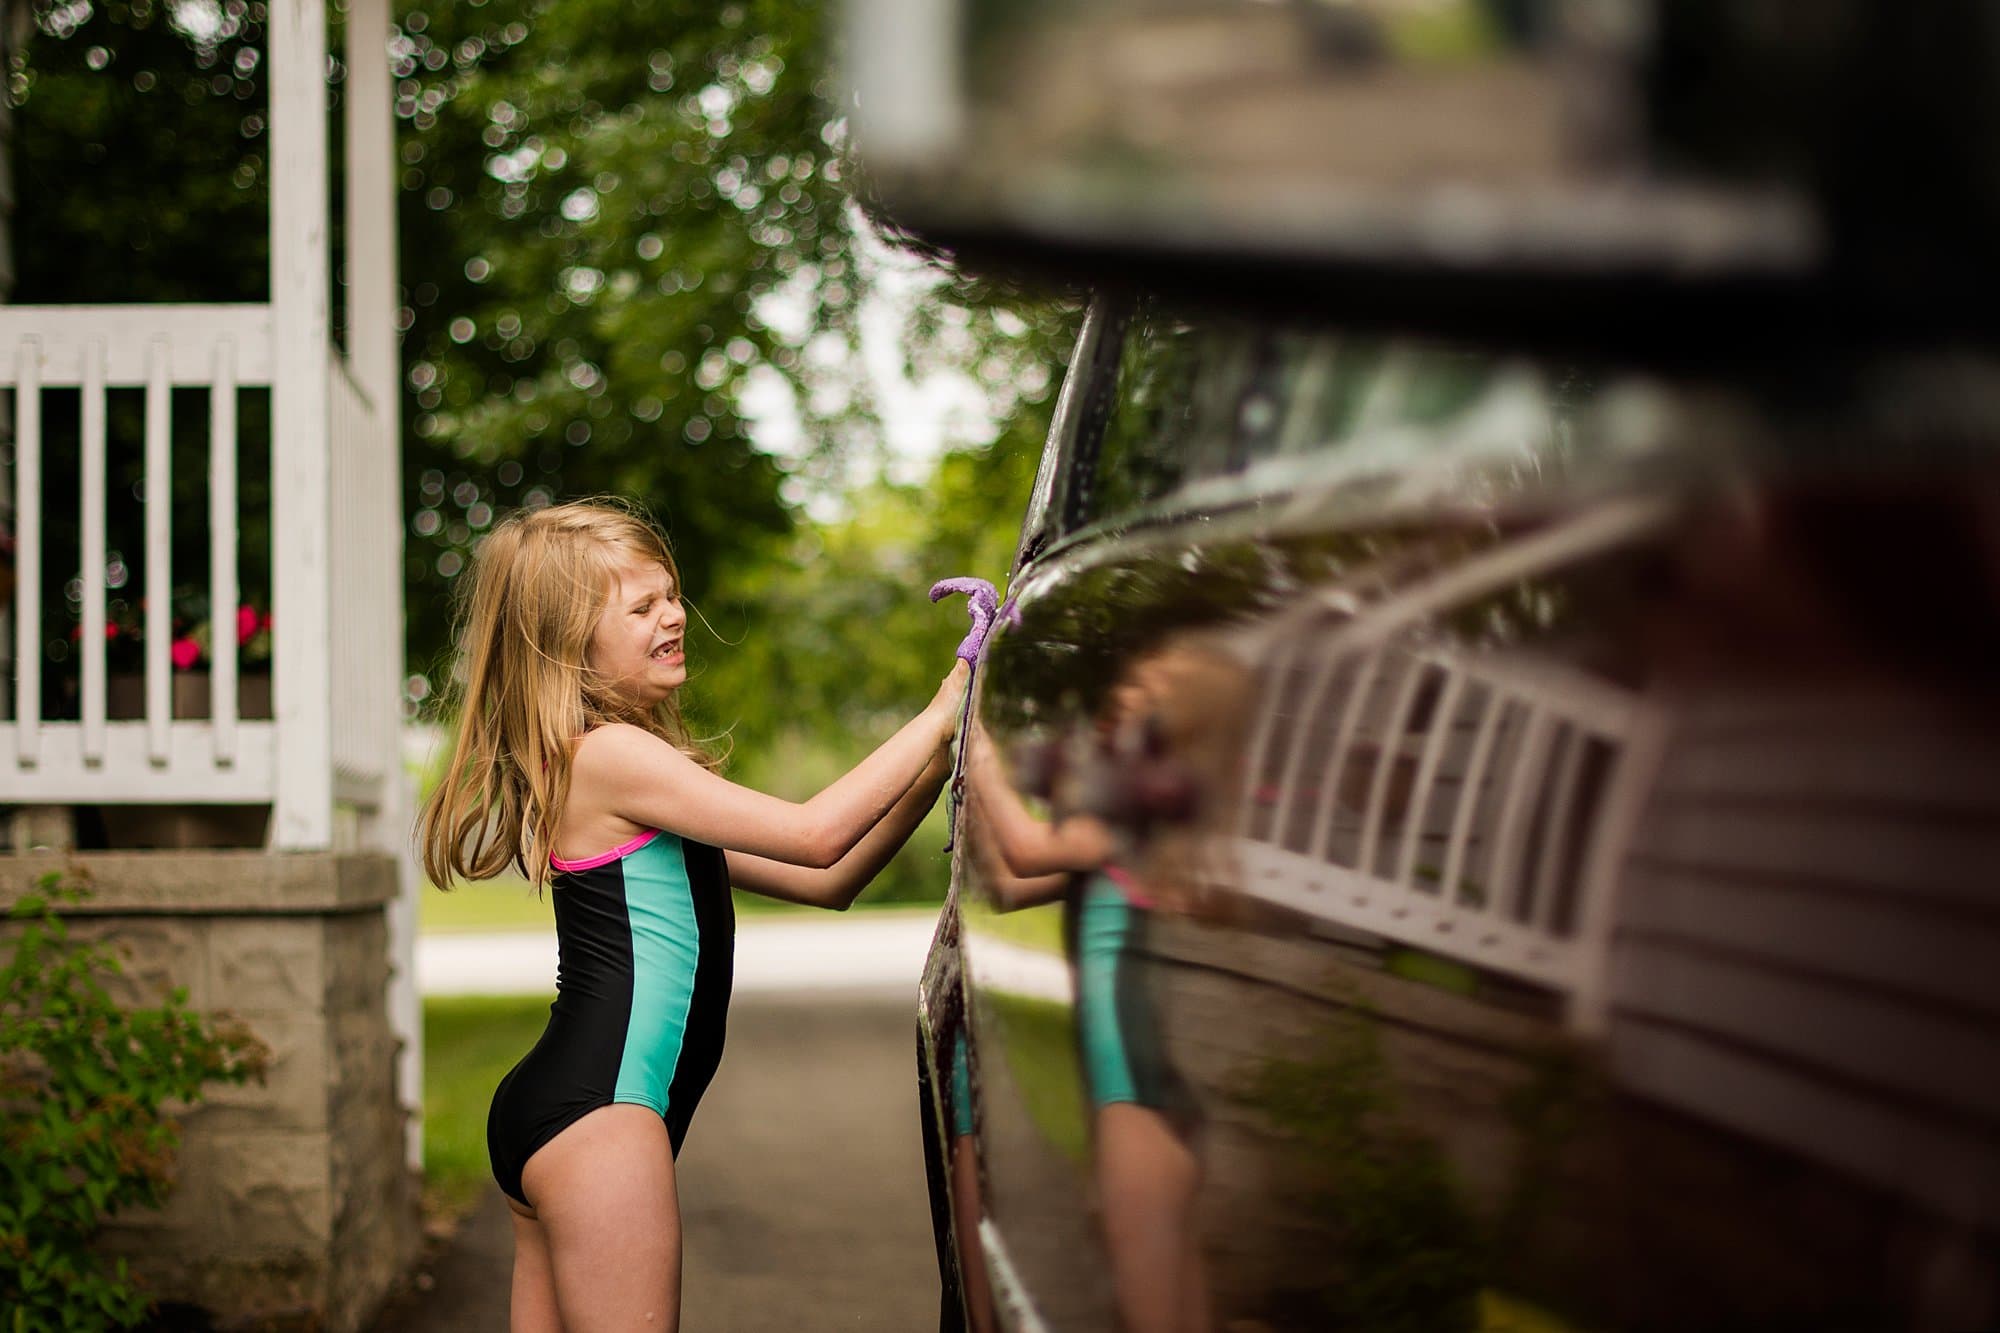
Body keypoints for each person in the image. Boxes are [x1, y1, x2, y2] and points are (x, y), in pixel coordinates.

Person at [416, 498, 967, 1332]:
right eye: (641, 607)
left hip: (562, 1108)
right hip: (603, 1120)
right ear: (572, 643)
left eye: (670, 595)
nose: (674, 615)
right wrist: (940, 710)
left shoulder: (611, 767)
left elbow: (832, 877)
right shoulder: (612, 756)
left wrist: (940, 753)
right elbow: (815, 832)